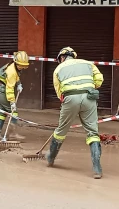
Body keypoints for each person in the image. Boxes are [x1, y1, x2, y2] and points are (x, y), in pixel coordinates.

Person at [46, 47, 104, 179]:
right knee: (93, 133)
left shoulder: (58, 69)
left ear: (62, 57)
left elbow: (59, 92)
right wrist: (88, 88)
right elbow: (99, 80)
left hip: (70, 98)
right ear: (74, 56)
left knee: (61, 131)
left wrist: (69, 103)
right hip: (89, 98)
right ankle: (97, 168)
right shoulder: (88, 63)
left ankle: (50, 157)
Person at [0, 51, 29, 140]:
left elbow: (16, 76)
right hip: (1, 90)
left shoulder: (14, 67)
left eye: (23, 66)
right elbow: (9, 89)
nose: (21, 67)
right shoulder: (11, 71)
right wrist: (12, 102)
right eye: (20, 65)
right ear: (16, 62)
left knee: (2, 112)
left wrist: (19, 83)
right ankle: (12, 134)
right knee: (13, 112)